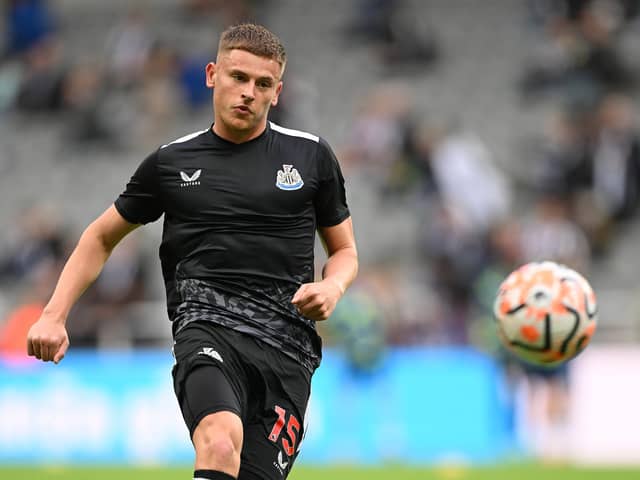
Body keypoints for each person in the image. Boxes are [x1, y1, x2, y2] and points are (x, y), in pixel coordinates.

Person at [26, 23, 358, 480]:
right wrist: (53, 314)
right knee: (219, 440)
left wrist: (333, 286)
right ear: (211, 75)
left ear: (277, 92)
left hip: (288, 351)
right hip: (207, 330)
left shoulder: (312, 157)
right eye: (237, 77)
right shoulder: (172, 163)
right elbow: (101, 237)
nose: (248, 92)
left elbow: (344, 251)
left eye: (262, 84)